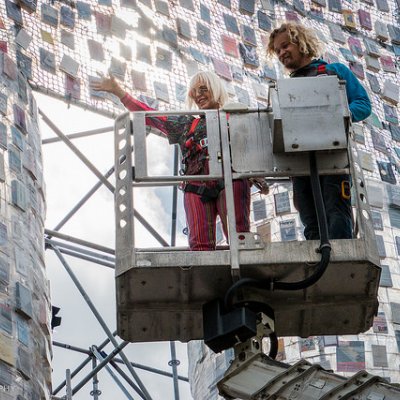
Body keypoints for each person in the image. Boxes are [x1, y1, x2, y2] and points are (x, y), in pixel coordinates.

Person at [91, 71, 251, 250]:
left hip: (230, 180)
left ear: (215, 89)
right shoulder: (185, 124)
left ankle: (245, 272)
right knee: (200, 248)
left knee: (240, 241)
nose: (198, 95)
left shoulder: (235, 118)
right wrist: (119, 92)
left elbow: (253, 149)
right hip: (196, 186)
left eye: (203, 89)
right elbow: (149, 114)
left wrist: (256, 176)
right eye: (194, 92)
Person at [267, 23, 372, 240]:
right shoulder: (284, 88)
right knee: (310, 221)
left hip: (333, 159)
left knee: (336, 212)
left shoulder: (334, 71)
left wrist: (338, 116)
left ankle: (341, 262)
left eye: (285, 46)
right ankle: (320, 264)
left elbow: (363, 104)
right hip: (300, 164)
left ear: (301, 42)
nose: (281, 53)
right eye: (277, 50)